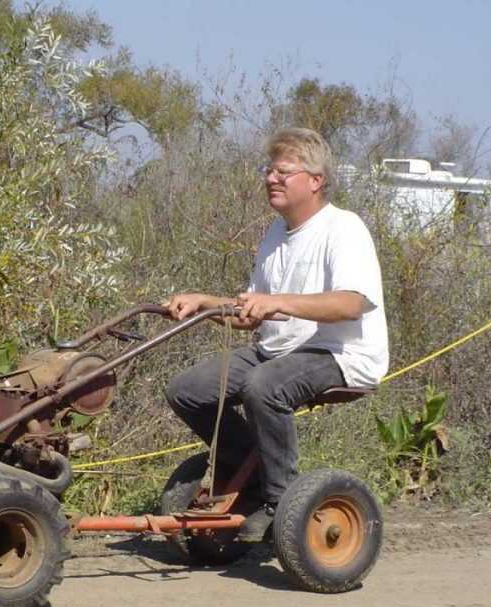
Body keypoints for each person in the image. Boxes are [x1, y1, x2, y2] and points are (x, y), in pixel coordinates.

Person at [163, 127, 388, 543]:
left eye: (283, 172)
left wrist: (279, 302)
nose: (270, 179)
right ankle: (248, 473)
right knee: (186, 389)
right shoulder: (273, 235)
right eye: (269, 170)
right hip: (278, 350)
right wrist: (204, 302)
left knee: (263, 386)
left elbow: (351, 304)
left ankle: (280, 502)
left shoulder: (344, 228)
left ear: (315, 181)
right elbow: (252, 316)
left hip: (340, 353)